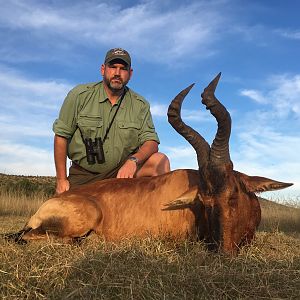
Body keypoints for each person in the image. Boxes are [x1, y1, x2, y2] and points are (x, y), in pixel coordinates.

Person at [53, 48, 170, 195]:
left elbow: (151, 142)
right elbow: (61, 136)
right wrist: (61, 180)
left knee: (160, 160)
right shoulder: (79, 95)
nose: (117, 73)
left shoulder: (140, 104)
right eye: (113, 67)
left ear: (130, 74)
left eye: (123, 69)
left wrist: (133, 161)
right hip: (84, 175)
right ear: (103, 69)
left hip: (121, 174)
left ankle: (157, 215)